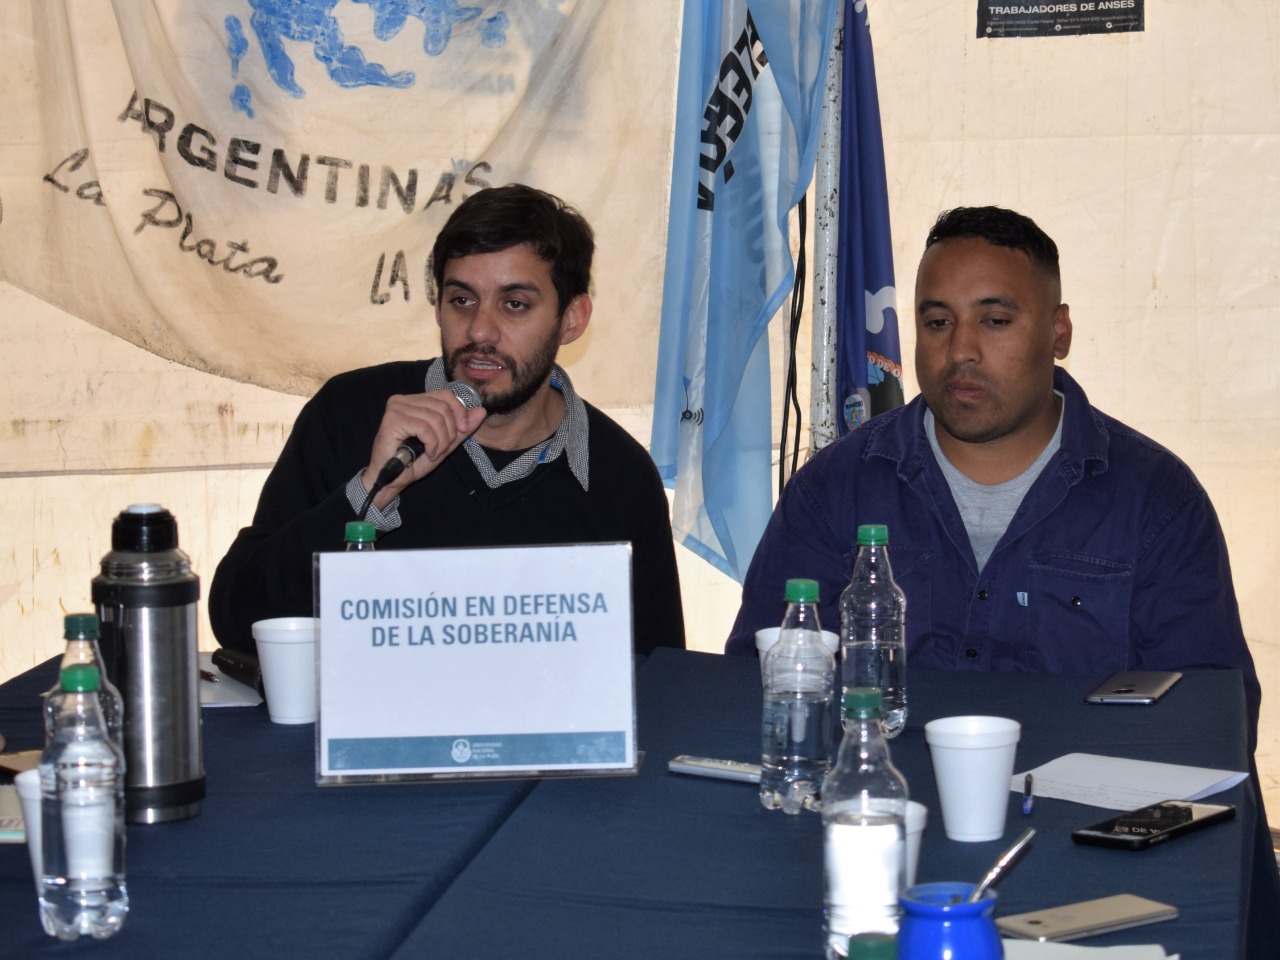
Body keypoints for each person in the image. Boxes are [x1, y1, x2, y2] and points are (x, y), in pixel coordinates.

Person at [726, 205, 1260, 740]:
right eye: (937, 323)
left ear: (1059, 333)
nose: (960, 350)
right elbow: (761, 683)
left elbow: (1211, 716)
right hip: (881, 797)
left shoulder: (1156, 499)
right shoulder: (836, 487)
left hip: (1078, 814)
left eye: (995, 321)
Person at [211, 183, 685, 657]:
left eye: (514, 304)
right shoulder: (351, 414)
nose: (480, 330)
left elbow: (661, 683)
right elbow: (238, 620)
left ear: (572, 319)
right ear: (437, 307)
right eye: (462, 300)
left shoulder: (621, 476)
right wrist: (372, 490)